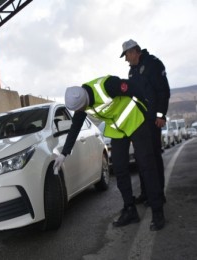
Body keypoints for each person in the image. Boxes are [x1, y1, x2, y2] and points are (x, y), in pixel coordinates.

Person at [53, 75, 165, 231]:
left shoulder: (107, 86)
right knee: (119, 169)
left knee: (146, 165)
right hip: (117, 130)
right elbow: (74, 128)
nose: (80, 112)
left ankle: (158, 211)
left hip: (135, 121)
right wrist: (64, 154)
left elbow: (133, 86)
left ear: (84, 101)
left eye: (80, 109)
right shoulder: (81, 103)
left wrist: (149, 112)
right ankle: (130, 210)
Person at [120, 39, 170, 205]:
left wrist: (161, 115)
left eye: (126, 55)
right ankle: (146, 193)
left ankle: (158, 194)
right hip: (139, 122)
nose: (126, 59)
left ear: (134, 51)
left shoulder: (153, 64)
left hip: (153, 120)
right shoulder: (132, 72)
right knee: (142, 158)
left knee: (154, 157)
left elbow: (163, 91)